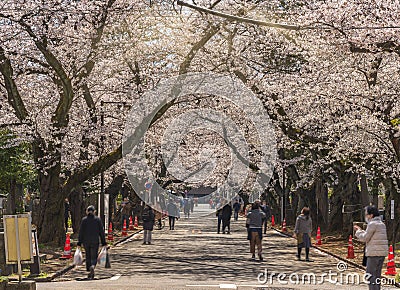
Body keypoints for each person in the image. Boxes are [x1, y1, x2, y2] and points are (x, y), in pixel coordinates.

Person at [354, 206, 388, 290]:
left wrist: (358, 231)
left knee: (370, 275)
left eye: (367, 214)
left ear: (371, 215)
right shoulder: (381, 224)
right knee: (377, 276)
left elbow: (365, 237)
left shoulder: (372, 224)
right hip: (382, 253)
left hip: (373, 253)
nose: (366, 216)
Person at [77, 205, 106, 280]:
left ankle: (89, 269)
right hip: (95, 241)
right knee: (94, 255)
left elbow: (81, 232)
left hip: (86, 241)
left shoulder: (84, 220)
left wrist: (79, 242)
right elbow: (101, 232)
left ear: (87, 211)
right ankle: (93, 266)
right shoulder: (98, 220)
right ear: (94, 212)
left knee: (88, 255)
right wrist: (104, 242)